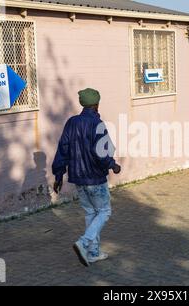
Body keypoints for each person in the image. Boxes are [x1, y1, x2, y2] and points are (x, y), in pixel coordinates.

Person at [52, 88, 121, 267]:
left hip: (78, 178)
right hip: (95, 178)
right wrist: (113, 165)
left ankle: (93, 252)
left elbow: (62, 149)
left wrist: (59, 175)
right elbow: (102, 152)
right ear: (97, 104)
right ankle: (83, 242)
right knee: (104, 212)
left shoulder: (71, 122)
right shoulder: (97, 124)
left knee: (91, 213)